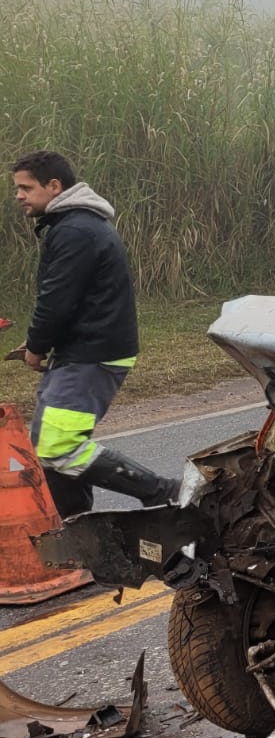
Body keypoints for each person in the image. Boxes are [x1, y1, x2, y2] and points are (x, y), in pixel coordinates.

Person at [10, 150, 178, 517]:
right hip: (85, 348)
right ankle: (73, 524)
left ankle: (160, 491)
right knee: (50, 446)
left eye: (26, 187)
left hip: (92, 353)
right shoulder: (77, 225)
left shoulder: (75, 231)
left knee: (58, 448)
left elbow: (56, 300)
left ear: (54, 186)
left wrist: (37, 347)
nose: (19, 196)